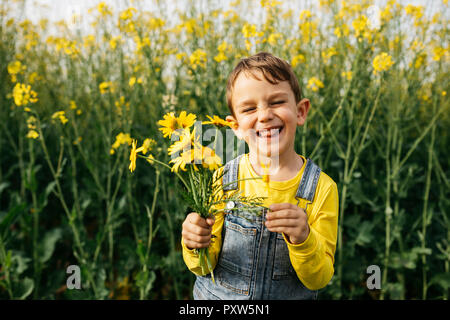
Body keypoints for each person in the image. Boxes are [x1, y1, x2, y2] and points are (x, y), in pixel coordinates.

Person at [181, 52, 339, 300]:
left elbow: (319, 279)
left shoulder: (321, 188)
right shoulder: (223, 179)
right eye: (249, 108)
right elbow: (204, 267)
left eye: (276, 102)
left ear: (300, 111)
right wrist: (194, 243)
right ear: (235, 127)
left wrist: (304, 238)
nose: (264, 115)